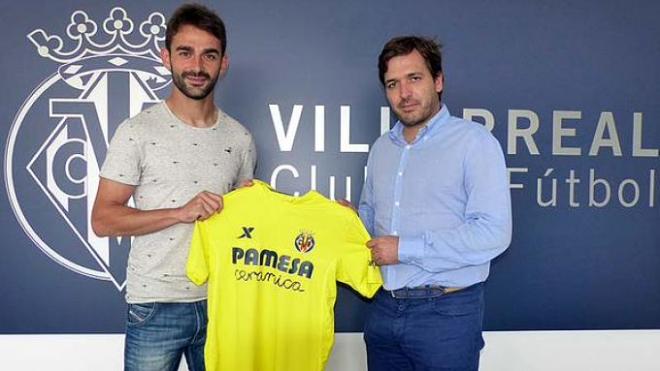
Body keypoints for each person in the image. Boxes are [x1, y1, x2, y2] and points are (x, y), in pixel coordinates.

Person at [91, 4, 256, 371]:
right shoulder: (136, 132)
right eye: (186, 52)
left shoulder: (241, 139)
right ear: (166, 57)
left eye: (208, 55)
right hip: (155, 305)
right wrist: (180, 213)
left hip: (223, 303)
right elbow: (103, 219)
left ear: (223, 63)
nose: (197, 66)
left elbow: (245, 224)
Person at [358, 36, 512, 370]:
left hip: (447, 315)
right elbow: (370, 220)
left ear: (438, 81)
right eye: (393, 84)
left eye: (414, 78)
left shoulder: (474, 143)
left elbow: (494, 233)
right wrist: (345, 222)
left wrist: (405, 249)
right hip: (384, 309)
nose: (404, 93)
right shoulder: (382, 149)